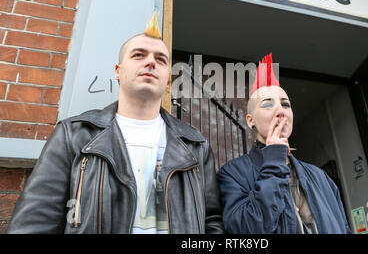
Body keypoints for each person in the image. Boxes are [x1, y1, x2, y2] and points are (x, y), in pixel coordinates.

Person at [6, 13, 224, 234]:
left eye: (161, 59)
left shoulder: (196, 145)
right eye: (139, 55)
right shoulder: (75, 134)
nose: (151, 62)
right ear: (118, 71)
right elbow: (34, 221)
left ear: (168, 79)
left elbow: (211, 221)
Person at [216, 53, 351, 234]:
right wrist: (273, 160)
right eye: (267, 104)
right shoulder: (232, 175)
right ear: (250, 120)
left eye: (286, 104)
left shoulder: (320, 176)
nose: (281, 110)